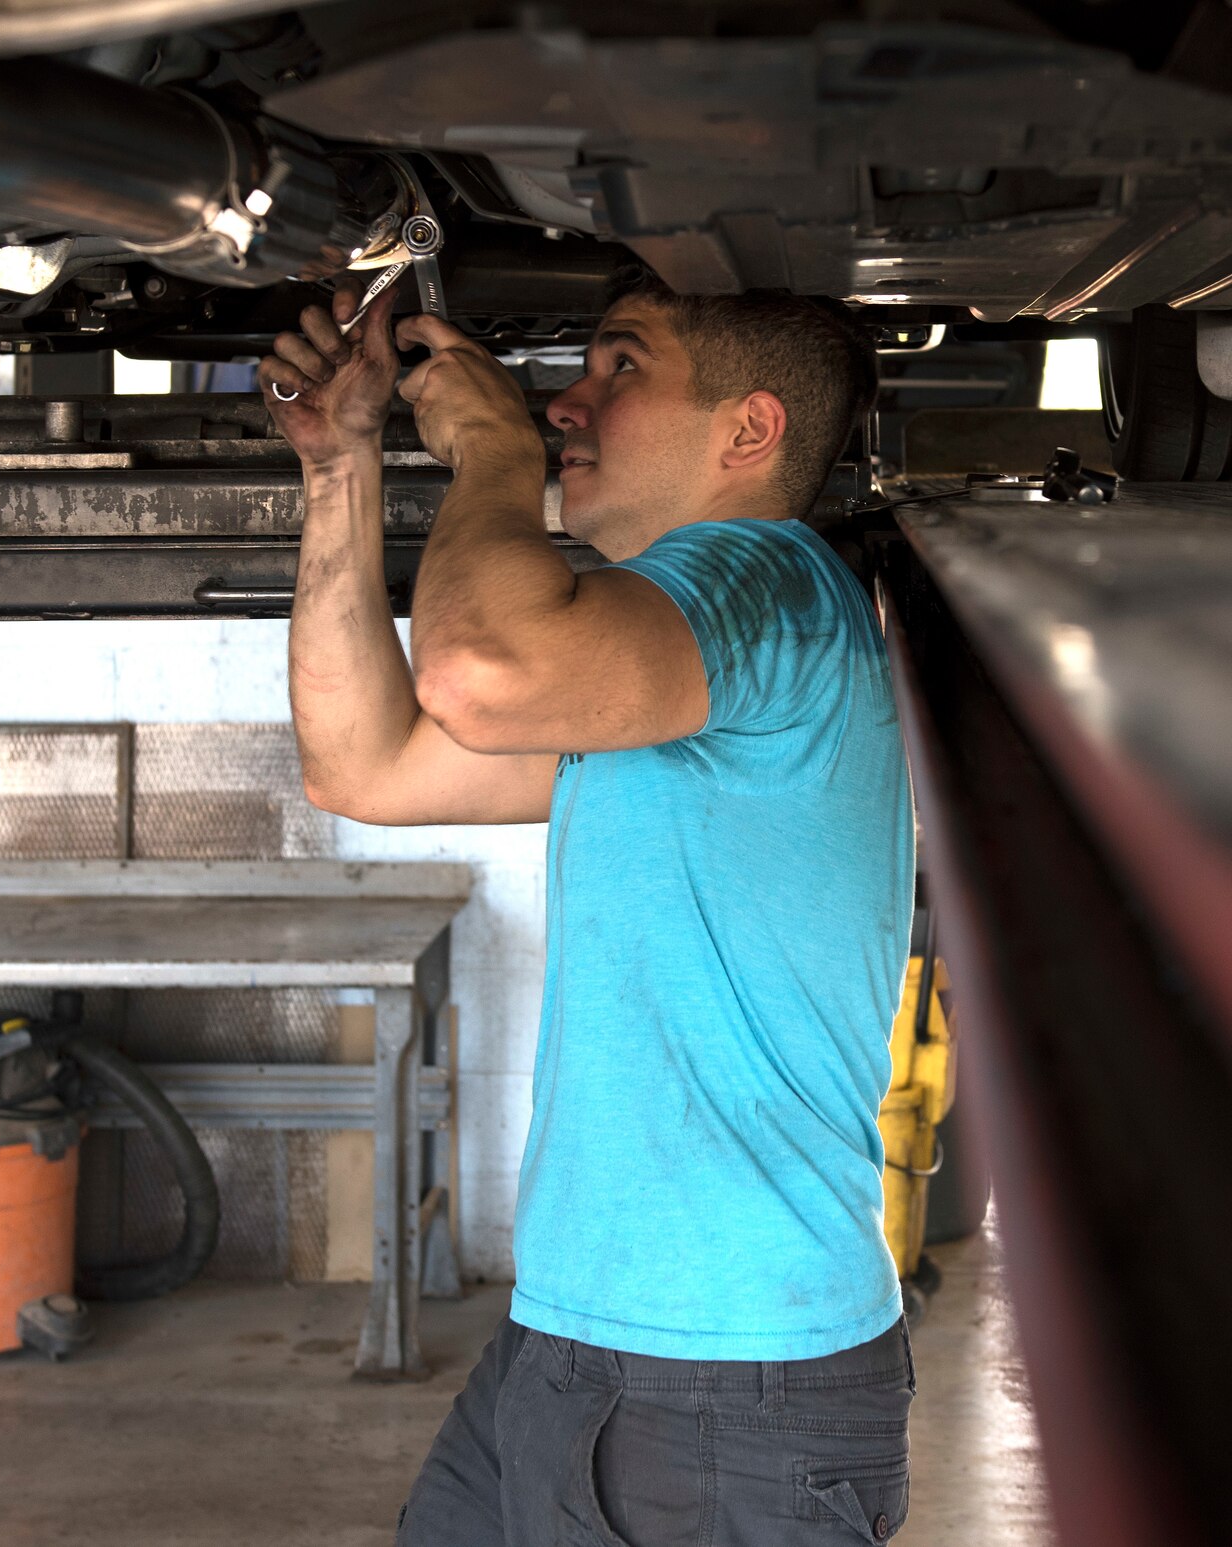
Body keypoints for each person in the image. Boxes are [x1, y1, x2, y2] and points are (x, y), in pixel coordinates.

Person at [261, 267, 915, 1545]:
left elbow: (479, 667)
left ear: (748, 431)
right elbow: (366, 762)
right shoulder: (666, 666)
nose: (567, 402)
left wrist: (492, 451)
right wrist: (339, 466)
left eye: (621, 366)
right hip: (578, 1334)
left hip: (730, 1373)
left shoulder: (766, 590)